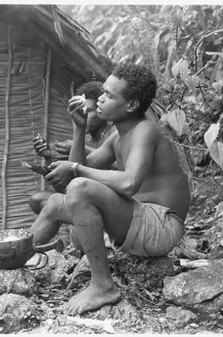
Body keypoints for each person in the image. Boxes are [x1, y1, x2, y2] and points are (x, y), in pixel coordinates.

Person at [30, 63, 190, 315]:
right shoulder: (117, 136)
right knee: (55, 204)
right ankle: (13, 255)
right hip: (137, 223)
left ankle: (103, 285)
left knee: (80, 187)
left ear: (131, 105)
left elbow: (128, 182)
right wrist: (79, 129)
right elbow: (80, 168)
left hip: (161, 227)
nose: (100, 99)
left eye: (109, 96)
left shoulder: (146, 130)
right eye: (102, 92)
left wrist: (75, 169)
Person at [30, 81, 116, 214]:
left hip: (110, 198)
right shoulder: (84, 138)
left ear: (100, 110)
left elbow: (121, 165)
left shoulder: (114, 132)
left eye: (89, 111)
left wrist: (80, 146)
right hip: (85, 195)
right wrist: (48, 158)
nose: (84, 115)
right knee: (37, 200)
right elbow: (69, 182)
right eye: (81, 111)